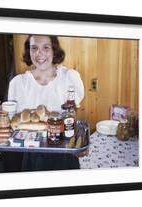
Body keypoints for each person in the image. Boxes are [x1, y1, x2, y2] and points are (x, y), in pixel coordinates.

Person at [7, 35, 85, 171]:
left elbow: (72, 116)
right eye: (34, 48)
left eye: (46, 47)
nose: (39, 53)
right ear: (29, 52)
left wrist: (79, 142)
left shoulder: (69, 77)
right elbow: (14, 124)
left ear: (54, 50)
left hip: (64, 152)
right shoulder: (18, 83)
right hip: (32, 154)